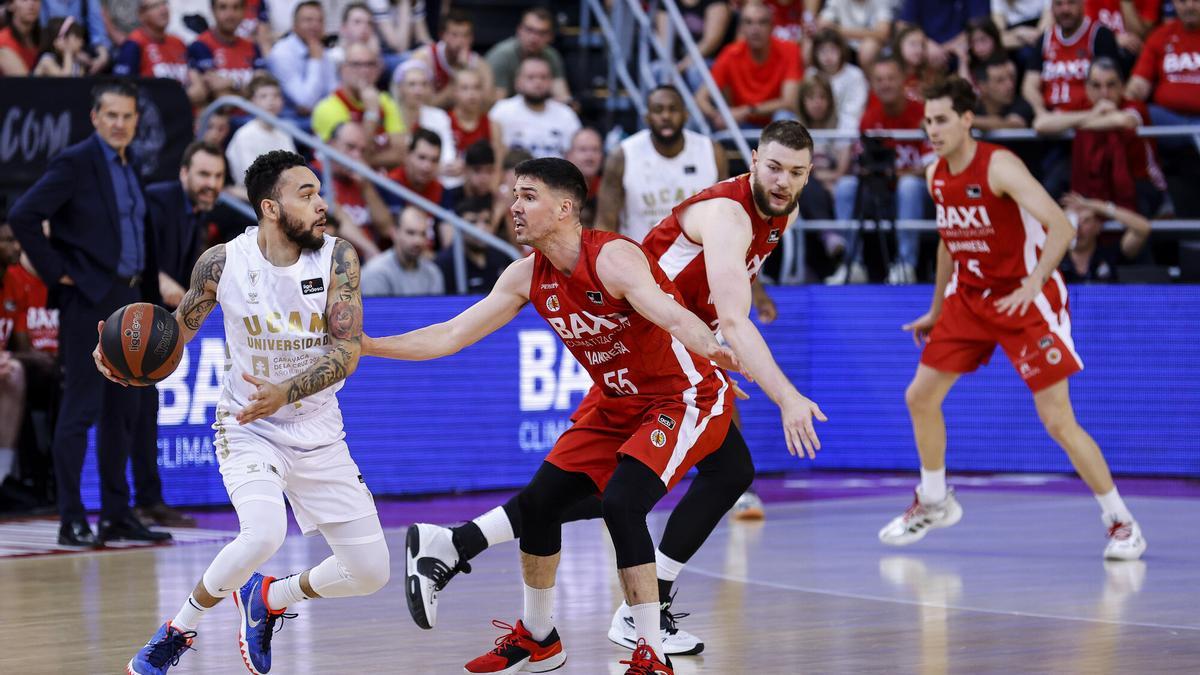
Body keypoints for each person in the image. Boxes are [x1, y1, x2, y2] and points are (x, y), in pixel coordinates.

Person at [400, 122, 826, 659]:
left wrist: (708, 351)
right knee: (599, 497)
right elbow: (721, 316)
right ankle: (615, 618)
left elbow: (717, 289)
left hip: (666, 361)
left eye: (796, 172)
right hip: (660, 360)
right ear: (753, 161)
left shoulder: (771, 212)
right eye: (774, 167)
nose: (784, 180)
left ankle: (476, 556)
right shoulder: (727, 214)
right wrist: (779, 392)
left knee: (724, 472)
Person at [363, 157, 750, 674]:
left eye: (527, 196)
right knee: (541, 504)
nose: (513, 206)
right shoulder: (526, 276)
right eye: (513, 194)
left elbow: (673, 314)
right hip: (616, 402)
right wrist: (368, 345)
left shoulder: (612, 258)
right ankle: (539, 639)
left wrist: (717, 349)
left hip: (682, 398)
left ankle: (651, 654)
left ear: (565, 207)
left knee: (622, 503)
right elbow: (450, 335)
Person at [117, 150, 389, 675]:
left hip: (318, 429)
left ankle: (272, 597)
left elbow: (346, 351)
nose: (321, 204)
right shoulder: (221, 263)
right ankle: (178, 630)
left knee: (371, 571)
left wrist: (287, 390)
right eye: (306, 194)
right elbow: (175, 340)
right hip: (249, 426)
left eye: (319, 192)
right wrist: (128, 367)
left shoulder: (338, 258)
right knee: (264, 532)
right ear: (270, 206)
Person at [876, 76, 1147, 561]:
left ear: (966, 120)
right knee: (920, 396)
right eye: (926, 122)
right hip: (971, 299)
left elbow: (1061, 226)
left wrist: (1033, 281)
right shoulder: (937, 173)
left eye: (940, 120)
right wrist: (937, 310)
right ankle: (935, 500)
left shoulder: (999, 165)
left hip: (1025, 299)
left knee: (1058, 421)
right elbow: (947, 241)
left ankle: (1122, 522)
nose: (931, 130)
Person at [7, 81, 169, 548]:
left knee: (125, 413)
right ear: (95, 117)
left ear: (137, 121)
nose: (120, 124)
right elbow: (22, 214)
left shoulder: (130, 164)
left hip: (131, 301)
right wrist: (60, 273)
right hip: (89, 303)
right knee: (80, 411)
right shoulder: (75, 162)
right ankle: (71, 517)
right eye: (112, 115)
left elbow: (141, 241)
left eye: (128, 116)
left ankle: (118, 515)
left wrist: (155, 299)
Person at [131, 141, 227, 528]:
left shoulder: (199, 213)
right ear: (183, 172)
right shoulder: (159, 200)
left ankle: (148, 501)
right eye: (204, 174)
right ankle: (126, 505)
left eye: (218, 176)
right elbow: (137, 256)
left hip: (153, 321)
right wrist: (178, 293)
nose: (211, 183)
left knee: (145, 413)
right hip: (128, 316)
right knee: (121, 416)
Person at [829, 53, 933, 285]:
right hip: (881, 193)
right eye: (879, 79)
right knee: (846, 186)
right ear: (873, 84)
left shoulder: (923, 114)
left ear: (903, 79)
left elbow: (933, 167)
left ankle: (906, 266)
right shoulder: (869, 119)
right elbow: (861, 166)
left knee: (909, 186)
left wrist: (897, 174)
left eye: (891, 78)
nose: (885, 84)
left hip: (919, 198)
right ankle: (853, 265)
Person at [595, 85, 727, 243]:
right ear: (647, 117)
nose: (666, 116)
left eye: (673, 109)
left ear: (686, 115)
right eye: (658, 110)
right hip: (640, 259)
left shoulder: (711, 151)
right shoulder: (622, 156)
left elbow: (724, 214)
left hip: (697, 260)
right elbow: (605, 224)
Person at [696, 0, 804, 129]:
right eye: (749, 22)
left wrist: (746, 110)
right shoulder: (731, 53)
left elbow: (789, 102)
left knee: (784, 116)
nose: (755, 29)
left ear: (772, 26)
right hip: (741, 125)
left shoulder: (790, 50)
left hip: (772, 127)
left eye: (762, 22)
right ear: (741, 28)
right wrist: (718, 115)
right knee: (697, 119)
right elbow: (700, 97)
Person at [312, 41, 407, 170]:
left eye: (370, 64)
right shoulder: (327, 107)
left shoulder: (385, 100)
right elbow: (351, 160)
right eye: (356, 64)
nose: (364, 71)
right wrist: (372, 113)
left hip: (381, 178)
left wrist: (367, 160)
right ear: (343, 69)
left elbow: (400, 154)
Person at [319, 121, 395, 261]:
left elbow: (387, 229)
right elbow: (329, 211)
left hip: (367, 263)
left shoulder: (365, 181)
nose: (356, 156)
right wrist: (372, 251)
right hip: (336, 262)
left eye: (362, 151)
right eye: (350, 147)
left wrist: (366, 187)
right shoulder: (314, 173)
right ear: (331, 144)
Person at [114, 0, 207, 107]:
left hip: (185, 115)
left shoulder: (178, 43)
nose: (163, 10)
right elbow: (122, 89)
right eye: (155, 6)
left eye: (164, 3)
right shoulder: (134, 44)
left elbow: (199, 90)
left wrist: (175, 97)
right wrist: (182, 96)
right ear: (141, 15)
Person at [489, 54, 582, 160]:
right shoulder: (501, 111)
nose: (538, 82)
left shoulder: (566, 114)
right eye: (531, 77)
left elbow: (576, 156)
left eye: (543, 77)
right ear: (518, 82)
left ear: (551, 81)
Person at [1059, 191, 1153, 281]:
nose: (1078, 229)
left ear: (1098, 226)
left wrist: (1094, 205)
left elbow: (1143, 228)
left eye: (1085, 220)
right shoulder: (1056, 259)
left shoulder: (1110, 254)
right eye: (1072, 221)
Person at [226, 74, 298, 192]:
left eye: (276, 96)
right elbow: (252, 179)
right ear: (252, 102)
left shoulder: (284, 133)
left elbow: (294, 170)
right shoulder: (244, 135)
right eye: (263, 96)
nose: (271, 101)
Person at [410, 8, 494, 108]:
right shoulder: (424, 57)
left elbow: (487, 105)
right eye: (454, 35)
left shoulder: (480, 65)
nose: (460, 41)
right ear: (442, 35)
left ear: (472, 38)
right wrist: (456, 78)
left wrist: (466, 70)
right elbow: (421, 105)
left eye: (465, 35)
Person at [485, 6, 571, 103]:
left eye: (541, 33)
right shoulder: (501, 56)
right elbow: (496, 104)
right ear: (519, 30)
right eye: (529, 30)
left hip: (539, 111)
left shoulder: (552, 56)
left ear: (550, 36)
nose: (534, 38)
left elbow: (562, 96)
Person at [265, 0, 337, 116]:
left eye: (320, 21)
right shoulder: (281, 53)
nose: (315, 25)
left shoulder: (322, 50)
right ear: (294, 25)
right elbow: (305, 102)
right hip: (288, 119)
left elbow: (333, 92)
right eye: (308, 20)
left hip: (319, 115)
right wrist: (315, 61)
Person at [187, 0, 267, 101]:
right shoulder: (200, 45)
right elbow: (219, 94)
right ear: (213, 10)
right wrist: (247, 88)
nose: (230, 14)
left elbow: (262, 87)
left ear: (244, 11)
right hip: (221, 115)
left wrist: (232, 83)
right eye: (223, 7)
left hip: (255, 113)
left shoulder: (252, 47)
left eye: (236, 7)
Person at [361, 205, 444, 296]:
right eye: (410, 233)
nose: (418, 241)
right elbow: (374, 310)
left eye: (423, 234)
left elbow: (435, 310)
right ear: (394, 233)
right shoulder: (375, 272)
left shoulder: (433, 273)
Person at [435, 196, 510, 295]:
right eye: (473, 222)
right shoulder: (444, 264)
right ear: (458, 227)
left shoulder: (503, 257)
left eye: (487, 221)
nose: (481, 228)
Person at [39, 0, 113, 73]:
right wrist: (68, 53)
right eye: (77, 38)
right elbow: (63, 81)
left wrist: (102, 55)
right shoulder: (47, 60)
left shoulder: (78, 65)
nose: (82, 41)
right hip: (54, 51)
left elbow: (98, 32)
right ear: (62, 41)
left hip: (77, 56)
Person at [0, 0, 41, 75]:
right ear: (10, 5)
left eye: (36, 0)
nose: (31, 4)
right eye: (24, 0)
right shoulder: (2, 42)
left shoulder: (43, 38)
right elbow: (24, 84)